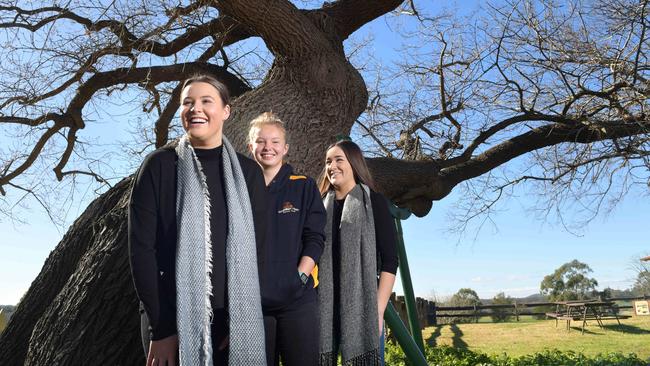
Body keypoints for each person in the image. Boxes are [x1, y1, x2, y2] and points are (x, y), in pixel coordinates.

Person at [128, 75, 268, 366]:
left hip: (233, 320)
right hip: (169, 317)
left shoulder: (249, 174)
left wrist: (242, 320)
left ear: (226, 111)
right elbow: (141, 250)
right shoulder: (159, 165)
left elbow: (260, 251)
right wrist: (162, 328)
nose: (196, 109)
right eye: (187, 103)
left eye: (207, 101)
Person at [247, 112, 326, 366]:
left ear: (285, 148)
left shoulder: (304, 186)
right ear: (251, 147)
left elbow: (315, 238)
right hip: (252, 303)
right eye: (260, 141)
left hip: (297, 300)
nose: (267, 147)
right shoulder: (240, 190)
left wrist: (299, 277)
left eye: (275, 141)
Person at [317, 140, 398, 366]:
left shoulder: (374, 202)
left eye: (338, 160)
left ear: (354, 163)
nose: (332, 166)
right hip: (325, 308)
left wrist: (377, 310)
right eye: (328, 162)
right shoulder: (319, 206)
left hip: (363, 309)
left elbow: (390, 261)